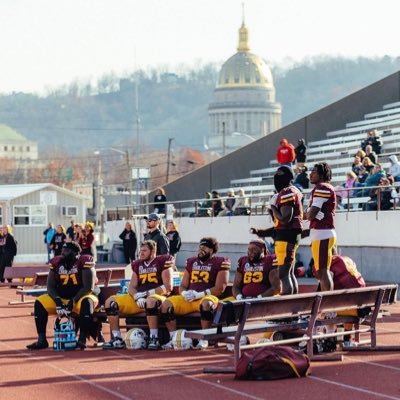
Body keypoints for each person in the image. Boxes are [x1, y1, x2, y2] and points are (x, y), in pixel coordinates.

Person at [160, 237, 231, 350]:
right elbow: (183, 286)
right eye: (200, 247)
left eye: (205, 247)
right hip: (189, 298)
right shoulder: (192, 261)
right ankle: (173, 338)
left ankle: (205, 338)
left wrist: (200, 294)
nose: (201, 250)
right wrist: (184, 293)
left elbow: (219, 288)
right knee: (166, 305)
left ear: (212, 250)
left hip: (207, 297)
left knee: (206, 305)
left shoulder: (220, 262)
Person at [102, 240, 174, 350]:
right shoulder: (138, 264)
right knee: (110, 302)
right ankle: (117, 338)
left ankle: (154, 338)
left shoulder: (162, 261)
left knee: (150, 301)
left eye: (144, 250)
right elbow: (132, 287)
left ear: (153, 251)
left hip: (157, 298)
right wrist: (137, 296)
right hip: (139, 299)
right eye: (140, 251)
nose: (141, 253)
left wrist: (147, 293)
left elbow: (168, 287)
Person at [26, 242, 98, 350]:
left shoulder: (83, 262)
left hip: (81, 297)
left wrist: (73, 300)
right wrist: (57, 300)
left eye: (67, 251)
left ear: (75, 253)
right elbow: (50, 287)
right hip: (63, 299)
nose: (63, 253)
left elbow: (88, 287)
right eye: (63, 250)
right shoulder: (57, 263)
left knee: (86, 303)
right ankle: (41, 340)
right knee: (40, 302)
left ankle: (81, 340)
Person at [269, 165, 303, 295]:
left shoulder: (287, 192)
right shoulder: (293, 190)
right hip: (291, 234)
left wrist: (273, 207)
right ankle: (293, 310)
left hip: (286, 235)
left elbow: (285, 218)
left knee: (283, 275)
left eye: (280, 175)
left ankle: (288, 312)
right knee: (289, 273)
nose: (277, 178)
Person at [306, 162, 337, 292]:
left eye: (314, 171)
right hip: (323, 232)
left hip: (322, 233)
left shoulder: (322, 187)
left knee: (323, 272)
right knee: (323, 271)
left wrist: (309, 213)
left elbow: (310, 214)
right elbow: (310, 214)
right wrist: (309, 213)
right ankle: (325, 304)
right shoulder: (323, 187)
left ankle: (328, 307)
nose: (310, 174)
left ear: (322, 174)